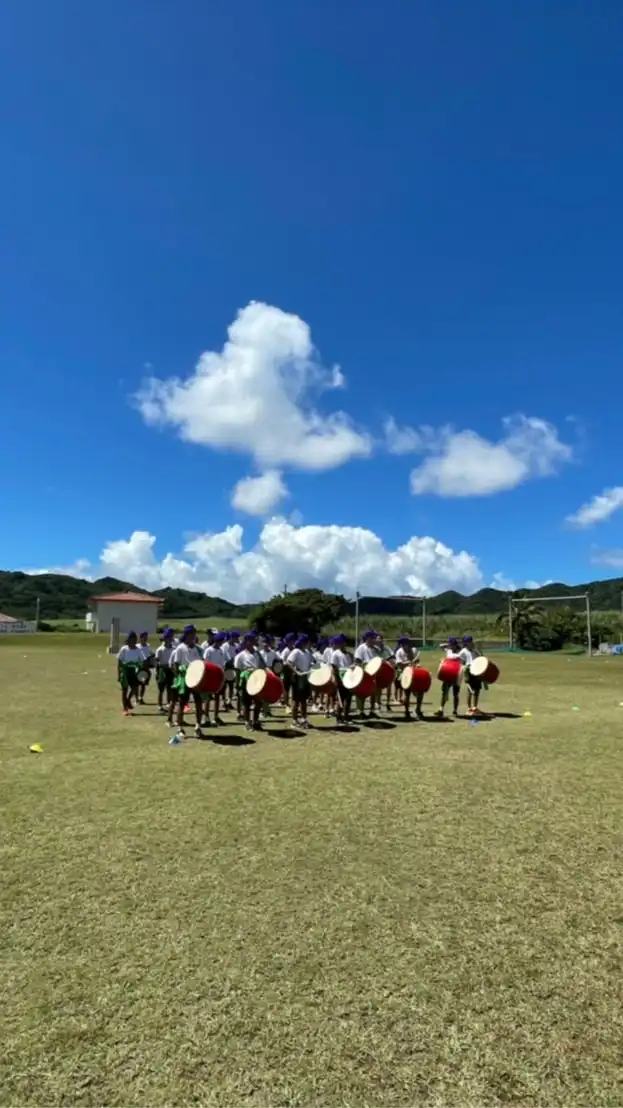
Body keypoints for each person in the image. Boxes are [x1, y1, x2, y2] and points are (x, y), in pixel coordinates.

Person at [168, 625, 205, 738]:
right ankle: (180, 728)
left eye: (194, 634)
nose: (193, 636)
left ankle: (198, 726)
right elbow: (175, 665)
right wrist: (179, 678)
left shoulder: (199, 648)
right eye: (191, 634)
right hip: (185, 679)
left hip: (197, 679)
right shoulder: (180, 648)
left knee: (199, 702)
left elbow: (202, 663)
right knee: (182, 703)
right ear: (186, 635)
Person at [234, 631, 264, 731]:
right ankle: (247, 722)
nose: (252, 642)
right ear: (246, 642)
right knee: (246, 703)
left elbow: (261, 666)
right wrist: (237, 683)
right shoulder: (241, 656)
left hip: (256, 679)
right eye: (250, 640)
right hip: (245, 680)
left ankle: (255, 721)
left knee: (258, 701)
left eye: (253, 640)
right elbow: (237, 670)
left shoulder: (257, 653)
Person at [436, 636, 472, 717]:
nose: (450, 646)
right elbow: (440, 646)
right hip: (448, 673)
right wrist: (447, 645)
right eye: (450, 644)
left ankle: (455, 710)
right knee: (444, 692)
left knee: (455, 694)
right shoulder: (448, 650)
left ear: (455, 644)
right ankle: (441, 709)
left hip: (456, 675)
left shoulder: (461, 651)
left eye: (452, 644)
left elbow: (463, 662)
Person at [286, 633, 313, 730]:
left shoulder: (307, 652)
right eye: (307, 642)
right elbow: (289, 662)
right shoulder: (296, 651)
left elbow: (310, 663)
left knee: (304, 700)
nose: (308, 644)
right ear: (303, 642)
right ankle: (294, 721)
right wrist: (296, 672)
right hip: (298, 679)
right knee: (296, 700)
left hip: (305, 677)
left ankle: (304, 719)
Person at [203, 632, 227, 725]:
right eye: (220, 641)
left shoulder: (221, 651)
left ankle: (216, 716)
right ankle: (206, 717)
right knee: (208, 698)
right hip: (210, 676)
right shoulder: (209, 650)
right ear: (216, 641)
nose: (221, 643)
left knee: (217, 697)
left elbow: (222, 663)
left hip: (219, 676)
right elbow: (206, 663)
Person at [354, 629, 379, 718]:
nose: (375, 640)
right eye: (373, 638)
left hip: (373, 673)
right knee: (363, 692)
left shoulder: (375, 649)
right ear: (368, 638)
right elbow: (357, 660)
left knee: (373, 692)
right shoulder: (361, 648)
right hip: (363, 673)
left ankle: (372, 710)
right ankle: (361, 711)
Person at [117, 631, 143, 715]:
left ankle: (128, 700)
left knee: (135, 687)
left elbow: (141, 660)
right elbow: (119, 661)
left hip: (133, 670)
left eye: (134, 639)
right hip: (125, 671)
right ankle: (125, 708)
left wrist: (140, 670)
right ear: (128, 640)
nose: (133, 641)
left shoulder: (138, 650)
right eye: (131, 639)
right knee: (125, 690)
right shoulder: (124, 649)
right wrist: (118, 674)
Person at [330, 634, 354, 725]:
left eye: (344, 642)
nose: (343, 644)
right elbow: (334, 667)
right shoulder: (335, 654)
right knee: (340, 699)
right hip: (340, 677)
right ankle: (339, 718)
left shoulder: (349, 654)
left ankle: (346, 717)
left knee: (348, 699)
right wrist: (335, 679)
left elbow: (351, 665)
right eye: (341, 643)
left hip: (349, 678)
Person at [155, 628, 175, 713]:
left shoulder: (174, 649)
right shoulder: (160, 649)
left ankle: (168, 703)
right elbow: (157, 661)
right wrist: (157, 672)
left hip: (170, 669)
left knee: (170, 688)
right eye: (168, 638)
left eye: (171, 638)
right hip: (162, 669)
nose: (169, 639)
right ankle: (160, 705)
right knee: (161, 689)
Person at [136, 631, 155, 705]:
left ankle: (141, 698)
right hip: (138, 666)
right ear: (141, 638)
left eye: (146, 637)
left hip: (146, 667)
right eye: (144, 637)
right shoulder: (137, 646)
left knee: (143, 684)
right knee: (137, 684)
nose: (146, 638)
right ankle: (137, 698)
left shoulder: (148, 646)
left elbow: (151, 654)